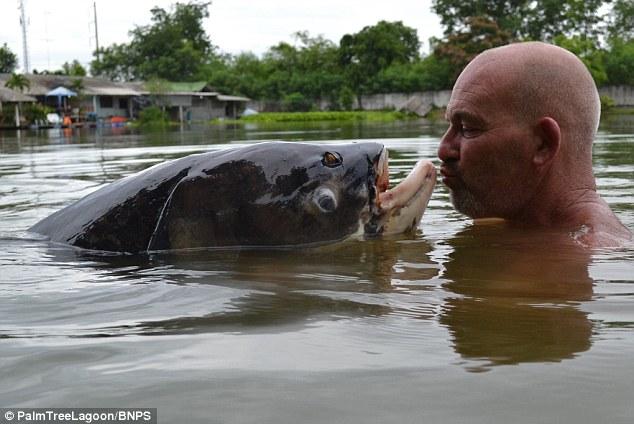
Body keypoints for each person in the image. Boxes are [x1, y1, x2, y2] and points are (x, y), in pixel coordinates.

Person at [437, 41, 632, 248]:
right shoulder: (512, 222)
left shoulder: (570, 259)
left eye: (468, 128)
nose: (444, 150)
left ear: (543, 144)